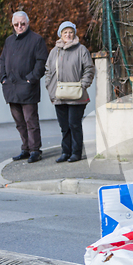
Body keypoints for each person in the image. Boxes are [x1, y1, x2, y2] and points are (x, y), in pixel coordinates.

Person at [0, 11, 48, 163]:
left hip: (28, 88)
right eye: (16, 24)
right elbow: (2, 60)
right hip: (11, 88)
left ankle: (35, 150)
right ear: (12, 25)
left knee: (30, 121)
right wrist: (3, 78)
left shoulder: (36, 40)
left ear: (28, 23)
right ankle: (25, 149)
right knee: (19, 122)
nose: (19, 26)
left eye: (22, 23)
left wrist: (30, 79)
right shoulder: (9, 41)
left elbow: (41, 62)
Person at [45, 21, 95, 163]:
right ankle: (65, 152)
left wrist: (83, 85)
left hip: (77, 95)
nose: (68, 35)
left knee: (74, 124)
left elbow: (89, 69)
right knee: (64, 126)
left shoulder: (81, 50)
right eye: (65, 32)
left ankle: (76, 152)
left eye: (70, 32)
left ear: (74, 33)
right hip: (59, 95)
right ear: (60, 34)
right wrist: (49, 87)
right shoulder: (54, 51)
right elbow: (48, 70)